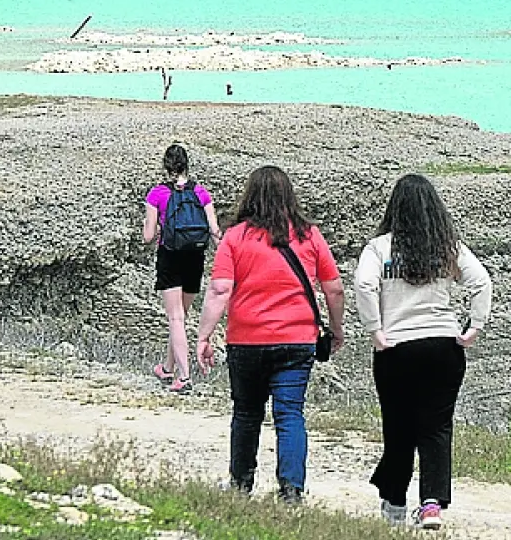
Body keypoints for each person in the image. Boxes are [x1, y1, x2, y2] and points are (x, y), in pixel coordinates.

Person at [196, 165, 344, 503]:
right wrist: (336, 330)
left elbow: (220, 290)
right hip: (296, 341)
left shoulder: (235, 237)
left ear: (250, 196)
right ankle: (291, 490)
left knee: (247, 413)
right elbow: (333, 289)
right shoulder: (309, 235)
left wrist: (204, 335)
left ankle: (240, 483)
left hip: (246, 341)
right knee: (290, 413)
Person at [355, 173, 492, 531]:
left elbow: (364, 284)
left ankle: (395, 504)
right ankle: (431, 504)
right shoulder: (448, 247)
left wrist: (375, 331)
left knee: (398, 427)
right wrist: (473, 327)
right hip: (443, 347)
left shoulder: (379, 248)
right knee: (436, 428)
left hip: (397, 347)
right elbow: (481, 282)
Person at [142, 143, 220, 393]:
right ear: (187, 164)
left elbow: (148, 236)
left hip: (171, 256)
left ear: (166, 167)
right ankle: (167, 368)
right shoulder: (201, 193)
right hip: (195, 257)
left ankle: (184, 377)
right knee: (181, 317)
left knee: (175, 318)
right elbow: (214, 229)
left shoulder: (157, 194)